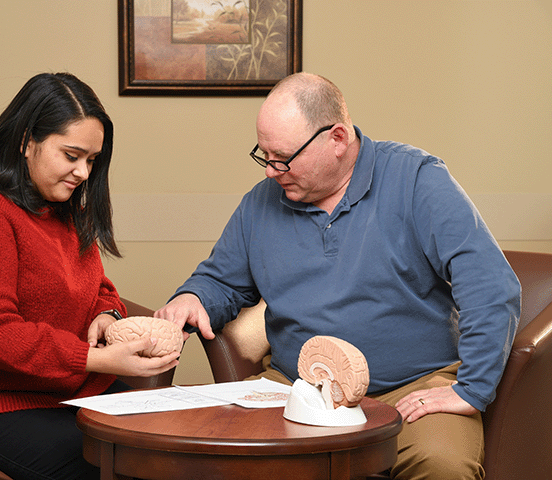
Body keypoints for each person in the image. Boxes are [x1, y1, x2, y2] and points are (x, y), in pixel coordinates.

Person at [155, 72, 520, 479]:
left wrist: (470, 390)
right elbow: (221, 280)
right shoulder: (260, 204)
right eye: (265, 155)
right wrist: (193, 297)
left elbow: (491, 285)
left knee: (442, 466)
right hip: (297, 388)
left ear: (338, 139)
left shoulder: (418, 179)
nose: (271, 172)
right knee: (217, 455)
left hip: (410, 390)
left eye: (284, 158)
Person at [0, 72, 179, 480]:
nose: (84, 173)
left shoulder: (63, 208)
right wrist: (96, 358)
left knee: (173, 446)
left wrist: (108, 318)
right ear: (25, 141)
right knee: (119, 465)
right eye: (71, 156)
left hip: (64, 391)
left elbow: (99, 289)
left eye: (91, 160)